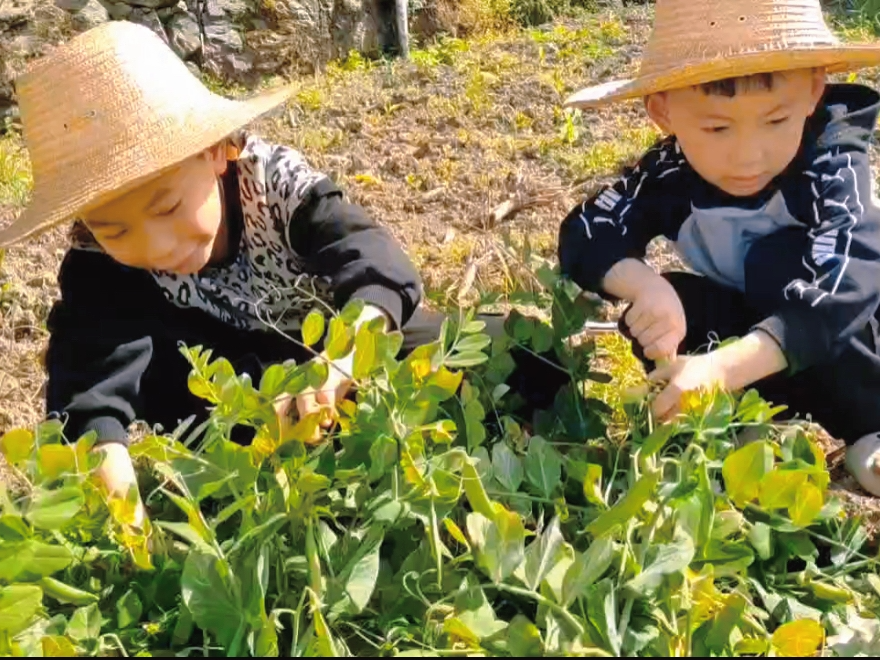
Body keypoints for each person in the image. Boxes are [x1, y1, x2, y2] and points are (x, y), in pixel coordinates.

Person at [0, 20, 494, 526]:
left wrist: (342, 361)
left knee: (492, 352)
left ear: (216, 151)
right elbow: (89, 397)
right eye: (116, 230)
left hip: (334, 353)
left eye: (167, 207)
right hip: (227, 406)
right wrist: (130, 529)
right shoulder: (97, 259)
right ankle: (253, 473)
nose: (155, 247)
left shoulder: (274, 183)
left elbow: (376, 263)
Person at [557, 0, 880, 496]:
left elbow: (851, 277)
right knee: (674, 302)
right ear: (663, 112)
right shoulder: (671, 172)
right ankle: (744, 421)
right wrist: (644, 287)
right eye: (717, 128)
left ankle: (867, 426)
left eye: (776, 120)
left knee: (777, 263)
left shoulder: (830, 157)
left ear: (814, 92)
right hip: (758, 344)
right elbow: (587, 229)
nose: (748, 155)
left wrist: (721, 369)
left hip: (854, 344)